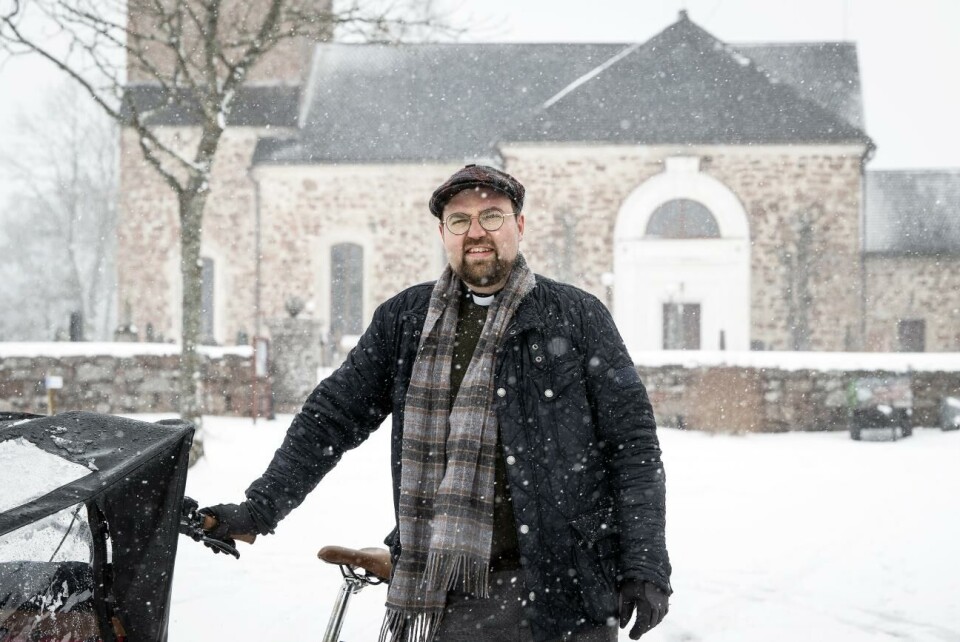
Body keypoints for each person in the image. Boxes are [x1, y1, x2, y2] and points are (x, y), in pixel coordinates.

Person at [200, 165, 672, 641]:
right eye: (460, 221)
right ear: (443, 233)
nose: (477, 233)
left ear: (519, 225)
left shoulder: (573, 316)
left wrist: (646, 561)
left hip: (566, 588)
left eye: (492, 216)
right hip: (456, 596)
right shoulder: (405, 321)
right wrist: (259, 510)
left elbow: (632, 446)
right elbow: (330, 420)